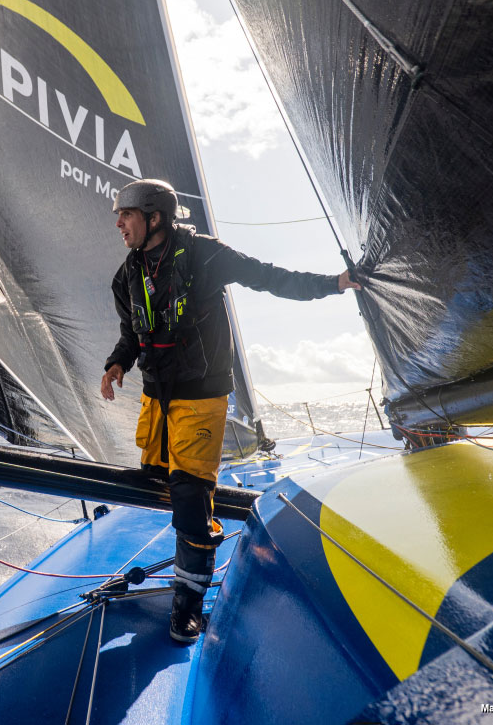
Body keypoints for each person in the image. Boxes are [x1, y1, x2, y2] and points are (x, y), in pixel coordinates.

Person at [99, 178, 360, 643]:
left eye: (126, 214)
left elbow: (270, 277)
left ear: (154, 217)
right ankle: (192, 536)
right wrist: (117, 362)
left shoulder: (205, 254)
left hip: (200, 400)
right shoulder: (126, 275)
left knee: (191, 500)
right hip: (156, 402)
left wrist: (335, 284)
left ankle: (188, 604)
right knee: (157, 482)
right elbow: (132, 334)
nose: (118, 222)